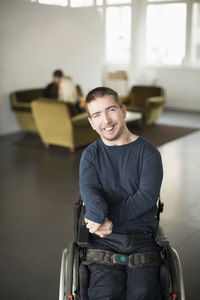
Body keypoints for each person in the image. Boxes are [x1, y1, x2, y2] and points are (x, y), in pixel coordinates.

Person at [79, 87, 163, 300]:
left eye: (111, 110)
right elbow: (91, 194)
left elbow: (146, 197)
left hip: (142, 238)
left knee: (143, 295)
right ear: (91, 122)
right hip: (103, 240)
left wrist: (107, 220)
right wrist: (99, 217)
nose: (105, 120)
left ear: (123, 111)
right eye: (97, 115)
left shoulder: (148, 152)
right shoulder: (90, 155)